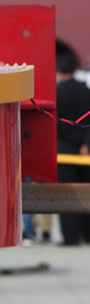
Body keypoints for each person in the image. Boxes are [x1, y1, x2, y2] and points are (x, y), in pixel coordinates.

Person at [55, 39, 90, 246]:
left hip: (65, 152)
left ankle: (70, 237)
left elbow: (57, 124)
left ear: (58, 70)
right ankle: (88, 235)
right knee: (87, 193)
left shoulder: (56, 94)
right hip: (86, 152)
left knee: (66, 194)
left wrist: (71, 141)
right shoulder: (86, 92)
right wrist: (85, 142)